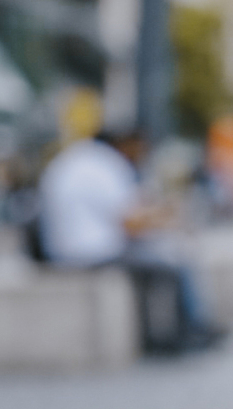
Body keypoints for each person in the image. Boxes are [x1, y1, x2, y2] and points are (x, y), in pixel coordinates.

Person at [38, 127, 223, 354]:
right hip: (91, 253)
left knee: (153, 262)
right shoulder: (105, 164)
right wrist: (170, 221)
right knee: (172, 264)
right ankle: (187, 332)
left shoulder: (76, 158)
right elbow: (130, 223)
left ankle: (160, 336)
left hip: (63, 250)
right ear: (126, 143)